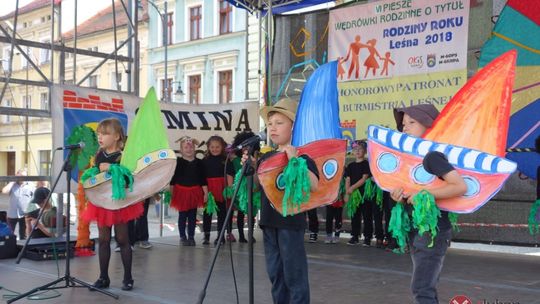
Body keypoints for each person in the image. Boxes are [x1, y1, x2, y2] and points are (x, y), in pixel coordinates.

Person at [390, 104, 467, 304]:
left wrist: (424, 194)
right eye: (403, 124)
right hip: (417, 227)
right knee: (425, 286)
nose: (405, 127)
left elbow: (459, 186)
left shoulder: (432, 156)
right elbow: (409, 191)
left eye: (412, 122)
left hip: (432, 230)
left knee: (421, 288)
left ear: (430, 126)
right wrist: (398, 195)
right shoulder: (409, 160)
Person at [245, 97, 319, 304]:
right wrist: (250, 168)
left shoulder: (303, 157)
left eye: (279, 123)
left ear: (293, 126)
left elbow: (314, 185)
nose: (273, 128)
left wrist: (294, 159)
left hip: (290, 223)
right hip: (269, 222)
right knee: (276, 275)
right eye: (270, 124)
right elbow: (257, 187)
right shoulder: (266, 158)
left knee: (294, 275)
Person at [82, 118, 144, 291]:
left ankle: (128, 277)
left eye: (105, 134)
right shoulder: (99, 154)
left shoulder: (124, 156)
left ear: (117, 136)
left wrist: (111, 168)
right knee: (102, 240)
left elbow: (128, 179)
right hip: (102, 203)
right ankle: (103, 277)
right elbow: (96, 174)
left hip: (119, 203)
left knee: (123, 240)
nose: (100, 137)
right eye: (99, 134)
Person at [170, 136, 208, 246]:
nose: (189, 149)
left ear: (195, 149)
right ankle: (182, 237)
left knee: (192, 216)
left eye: (191, 147)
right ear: (181, 150)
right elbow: (173, 179)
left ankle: (191, 236)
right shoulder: (178, 162)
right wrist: (172, 193)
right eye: (186, 147)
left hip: (194, 192)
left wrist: (205, 192)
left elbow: (202, 179)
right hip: (181, 192)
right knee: (182, 215)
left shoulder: (199, 163)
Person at [202, 135, 234, 245]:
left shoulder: (226, 160)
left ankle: (220, 237)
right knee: (207, 213)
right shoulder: (205, 160)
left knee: (222, 214)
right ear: (208, 147)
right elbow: (202, 177)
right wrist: (205, 192)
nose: (214, 149)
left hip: (222, 188)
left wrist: (229, 189)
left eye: (217, 147)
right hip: (209, 189)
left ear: (222, 147)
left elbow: (230, 174)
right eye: (212, 147)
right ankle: (206, 236)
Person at [229, 131, 260, 243]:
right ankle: (241, 235)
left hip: (252, 187)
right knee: (241, 213)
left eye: (248, 146)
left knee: (251, 212)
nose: (245, 148)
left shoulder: (256, 158)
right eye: (243, 145)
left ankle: (250, 234)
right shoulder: (236, 160)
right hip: (240, 190)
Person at [345, 140, 373, 246]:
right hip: (353, 195)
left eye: (360, 149)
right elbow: (347, 178)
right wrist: (348, 191)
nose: (357, 151)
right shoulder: (350, 165)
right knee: (355, 216)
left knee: (367, 216)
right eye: (355, 149)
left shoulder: (366, 164)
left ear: (365, 151)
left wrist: (352, 187)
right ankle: (355, 236)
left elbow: (364, 178)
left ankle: (367, 237)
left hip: (364, 195)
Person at [2, 169, 34, 240]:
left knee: (23, 235)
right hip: (12, 214)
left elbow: (34, 199)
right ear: (17, 175)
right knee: (10, 234)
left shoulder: (30, 185)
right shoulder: (13, 185)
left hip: (25, 214)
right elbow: (4, 191)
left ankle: (22, 250)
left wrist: (31, 213)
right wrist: (13, 181)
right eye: (21, 176)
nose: (23, 178)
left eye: (25, 176)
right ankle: (10, 248)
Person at [325, 178, 345, 244]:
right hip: (330, 198)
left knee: (338, 217)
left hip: (339, 198)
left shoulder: (344, 174)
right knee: (329, 217)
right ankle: (328, 235)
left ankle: (337, 235)